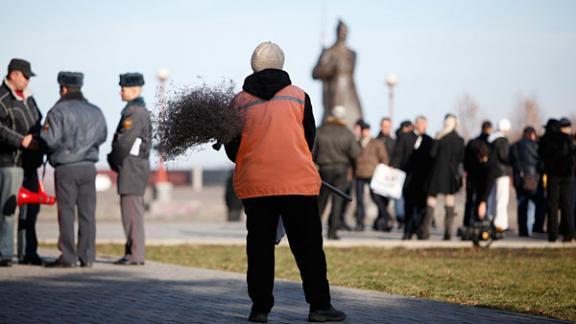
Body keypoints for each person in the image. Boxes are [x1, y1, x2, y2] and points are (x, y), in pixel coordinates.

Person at [224, 42, 345, 322]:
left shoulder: (238, 102)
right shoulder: (299, 96)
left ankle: (260, 309)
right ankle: (319, 307)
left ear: (253, 65)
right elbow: (308, 141)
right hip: (297, 184)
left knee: (260, 249)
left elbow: (233, 150)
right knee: (309, 249)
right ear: (281, 63)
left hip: (256, 186)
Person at [40, 72, 107, 268]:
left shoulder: (58, 111)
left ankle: (68, 257)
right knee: (88, 213)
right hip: (89, 167)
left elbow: (49, 139)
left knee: (67, 213)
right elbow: (102, 135)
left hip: (66, 168)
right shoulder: (95, 111)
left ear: (63, 88)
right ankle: (87, 256)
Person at [0, 58, 42, 267]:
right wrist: (21, 140)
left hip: (30, 163)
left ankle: (28, 252)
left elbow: (38, 121)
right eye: (25, 77)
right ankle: (4, 253)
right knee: (7, 209)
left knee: (31, 209)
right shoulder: (2, 98)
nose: (27, 81)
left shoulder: (29, 98)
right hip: (10, 162)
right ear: (14, 74)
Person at [107, 73, 151, 266]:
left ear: (134, 90)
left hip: (132, 168)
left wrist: (111, 159)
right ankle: (132, 252)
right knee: (131, 212)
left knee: (132, 213)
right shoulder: (136, 110)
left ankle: (135, 254)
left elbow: (124, 143)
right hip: (133, 167)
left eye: (123, 88)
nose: (120, 92)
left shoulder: (135, 112)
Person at [314, 105, 361, 240]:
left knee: (321, 201)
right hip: (341, 169)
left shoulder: (321, 131)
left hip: (324, 169)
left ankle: (313, 231)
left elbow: (312, 151)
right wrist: (354, 169)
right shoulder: (347, 133)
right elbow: (355, 153)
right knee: (337, 201)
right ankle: (332, 232)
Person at [421, 114, 465, 240]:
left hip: (436, 173)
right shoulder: (459, 140)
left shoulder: (440, 137)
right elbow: (461, 158)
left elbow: (432, 154)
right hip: (451, 174)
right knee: (449, 200)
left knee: (431, 200)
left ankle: (425, 231)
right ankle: (448, 233)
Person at [312, 20, 363, 129]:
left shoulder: (352, 54)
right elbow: (315, 73)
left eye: (345, 31)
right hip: (334, 92)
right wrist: (331, 68)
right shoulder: (329, 51)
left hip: (350, 92)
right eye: (341, 31)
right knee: (334, 120)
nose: (343, 34)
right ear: (337, 32)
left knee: (356, 120)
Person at [392, 116, 433, 240]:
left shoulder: (428, 140)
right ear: (416, 125)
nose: (424, 128)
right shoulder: (406, 137)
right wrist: (394, 167)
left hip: (422, 179)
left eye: (425, 126)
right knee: (408, 206)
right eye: (422, 126)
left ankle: (420, 230)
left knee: (421, 206)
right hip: (408, 178)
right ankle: (408, 231)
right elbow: (398, 155)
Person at [538, 118, 575, 242]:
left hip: (553, 175)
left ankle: (553, 234)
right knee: (567, 204)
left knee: (552, 204)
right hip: (568, 175)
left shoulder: (546, 140)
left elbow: (541, 157)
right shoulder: (567, 139)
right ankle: (569, 233)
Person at [354, 120, 390, 232]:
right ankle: (360, 223)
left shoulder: (376, 143)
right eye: (363, 130)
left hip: (373, 175)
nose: (364, 132)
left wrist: (383, 171)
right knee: (359, 200)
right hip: (359, 174)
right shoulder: (357, 143)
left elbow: (384, 158)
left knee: (376, 198)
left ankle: (386, 217)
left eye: (366, 130)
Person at [509, 126, 546, 237]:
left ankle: (523, 230)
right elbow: (541, 163)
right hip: (533, 180)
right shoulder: (536, 146)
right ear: (532, 134)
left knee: (522, 206)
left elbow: (511, 161)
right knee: (541, 204)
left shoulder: (514, 146)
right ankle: (537, 227)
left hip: (519, 180)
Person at [463, 121, 492, 227]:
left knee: (470, 200)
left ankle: (467, 222)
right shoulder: (489, 144)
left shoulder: (472, 142)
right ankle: (479, 221)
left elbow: (465, 160)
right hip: (480, 177)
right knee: (481, 200)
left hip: (471, 176)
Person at [487, 118, 512, 232]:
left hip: (492, 172)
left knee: (492, 198)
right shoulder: (503, 140)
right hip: (502, 172)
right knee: (502, 198)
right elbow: (505, 156)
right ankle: (500, 224)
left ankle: (491, 218)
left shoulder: (491, 139)